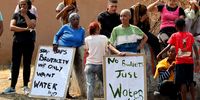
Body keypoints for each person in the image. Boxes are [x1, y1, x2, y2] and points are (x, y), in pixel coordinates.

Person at [157, 18, 199, 100]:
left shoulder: (174, 35)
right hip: (189, 62)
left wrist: (159, 53)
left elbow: (168, 46)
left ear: (175, 27)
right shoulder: (190, 35)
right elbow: (195, 47)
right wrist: (197, 59)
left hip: (180, 62)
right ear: (184, 26)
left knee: (182, 83)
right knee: (190, 82)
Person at [84, 21, 125, 100]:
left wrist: (85, 63)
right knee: (106, 83)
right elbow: (109, 47)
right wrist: (119, 53)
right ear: (97, 29)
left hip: (89, 65)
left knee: (90, 85)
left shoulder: (87, 39)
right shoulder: (104, 38)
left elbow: (86, 52)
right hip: (100, 64)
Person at [3, 0, 36, 95]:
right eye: (21, 5)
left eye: (24, 4)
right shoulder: (15, 15)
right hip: (17, 42)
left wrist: (25, 15)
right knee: (15, 64)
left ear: (28, 5)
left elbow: (32, 25)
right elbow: (11, 27)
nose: (22, 6)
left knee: (27, 64)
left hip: (29, 43)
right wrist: (25, 29)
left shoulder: (32, 16)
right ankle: (12, 87)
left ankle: (25, 86)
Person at [53, 13, 84, 98]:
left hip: (73, 52)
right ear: (70, 20)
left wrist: (76, 45)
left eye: (77, 19)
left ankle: (66, 92)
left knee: (69, 73)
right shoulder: (65, 27)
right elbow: (57, 35)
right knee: (61, 71)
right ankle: (58, 91)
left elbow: (81, 42)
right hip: (62, 52)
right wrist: (55, 43)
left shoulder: (82, 30)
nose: (76, 21)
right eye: (73, 19)